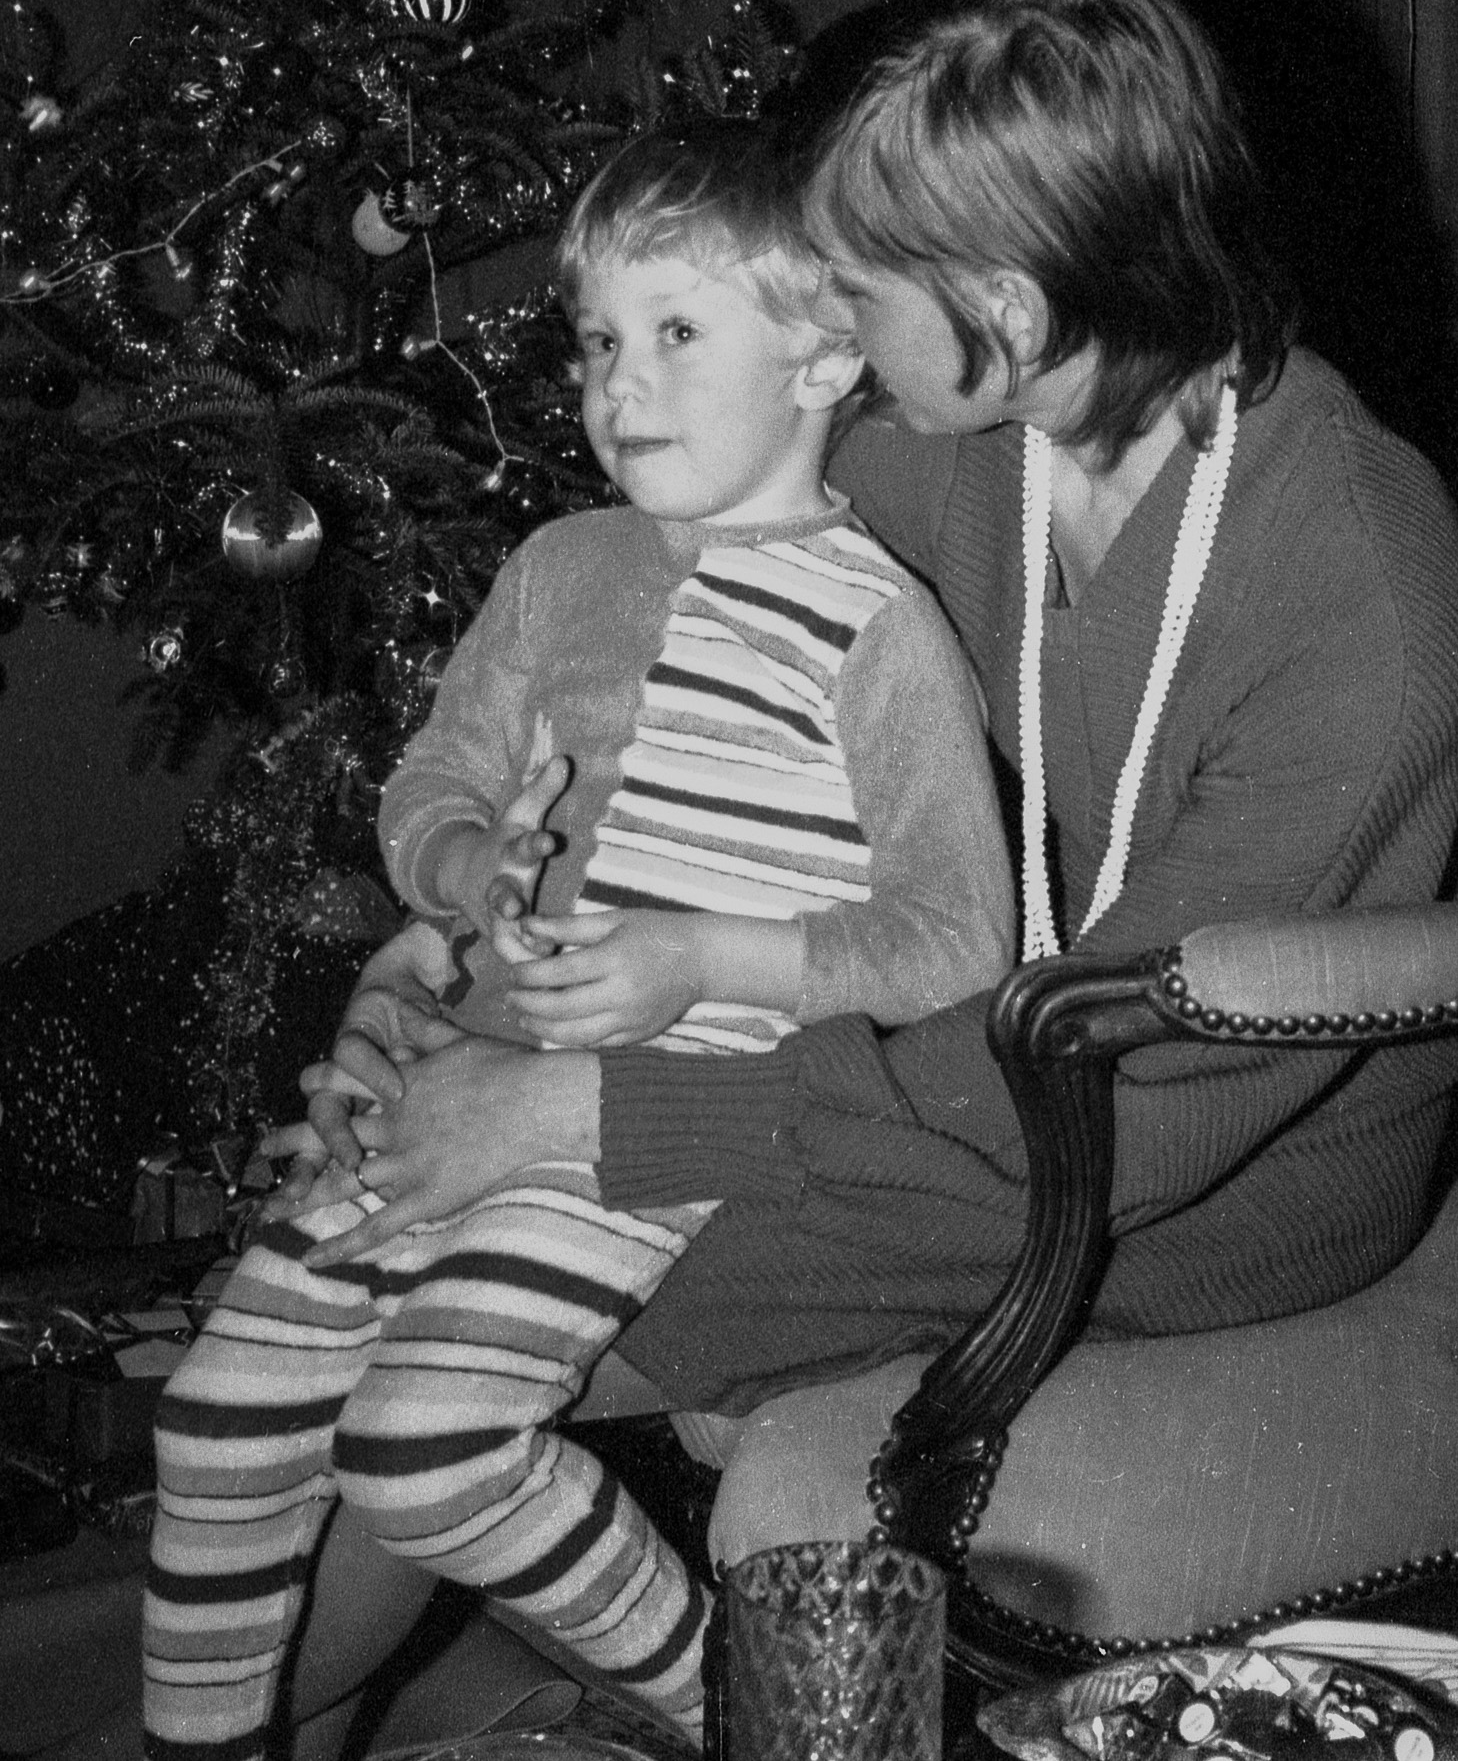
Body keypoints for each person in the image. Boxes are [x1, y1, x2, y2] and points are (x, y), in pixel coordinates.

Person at [253, 0, 1458, 1737]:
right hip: (926, 1065)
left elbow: (1132, 1109)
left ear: (1006, 305)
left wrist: (582, 1111)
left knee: (444, 1294)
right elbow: (637, 686)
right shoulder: (965, 443)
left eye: (849, 285)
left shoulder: (1359, 598)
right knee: (356, 1265)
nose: (818, 321)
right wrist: (440, 968)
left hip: (1170, 1180)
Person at [141, 118, 1014, 1759]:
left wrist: (705, 957)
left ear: (826, 357)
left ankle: (751, 1720)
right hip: (458, 1066)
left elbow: (956, 937)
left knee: (429, 1451)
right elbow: (429, 784)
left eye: (677, 333)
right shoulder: (558, 570)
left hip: (641, 1117)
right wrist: (467, 862)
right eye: (601, 340)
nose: (621, 383)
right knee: (213, 1421)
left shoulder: (878, 626)